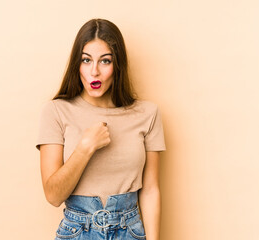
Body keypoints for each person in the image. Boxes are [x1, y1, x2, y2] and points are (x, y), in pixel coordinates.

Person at [35, 18, 166, 240]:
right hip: (77, 231)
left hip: (129, 231)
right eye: (86, 60)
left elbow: (151, 189)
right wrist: (85, 147)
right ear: (77, 64)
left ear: (118, 65)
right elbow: (53, 195)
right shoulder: (56, 111)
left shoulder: (148, 114)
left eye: (105, 61)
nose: (94, 71)